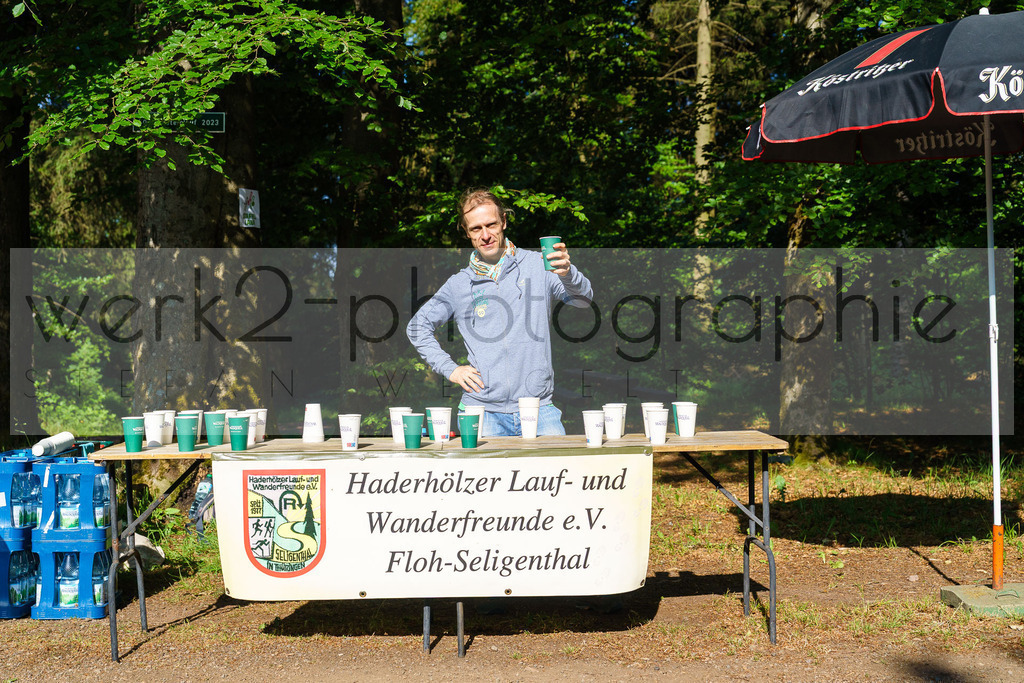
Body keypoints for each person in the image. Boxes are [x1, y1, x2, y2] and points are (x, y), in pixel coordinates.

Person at [406, 188, 593, 437]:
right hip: (481, 414)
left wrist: (568, 273)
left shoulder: (539, 265)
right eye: (476, 228)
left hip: (539, 409)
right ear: (467, 233)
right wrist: (451, 369)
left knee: (555, 474)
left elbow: (583, 300)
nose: (485, 235)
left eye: (491, 224)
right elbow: (417, 327)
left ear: (504, 221)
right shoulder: (459, 284)